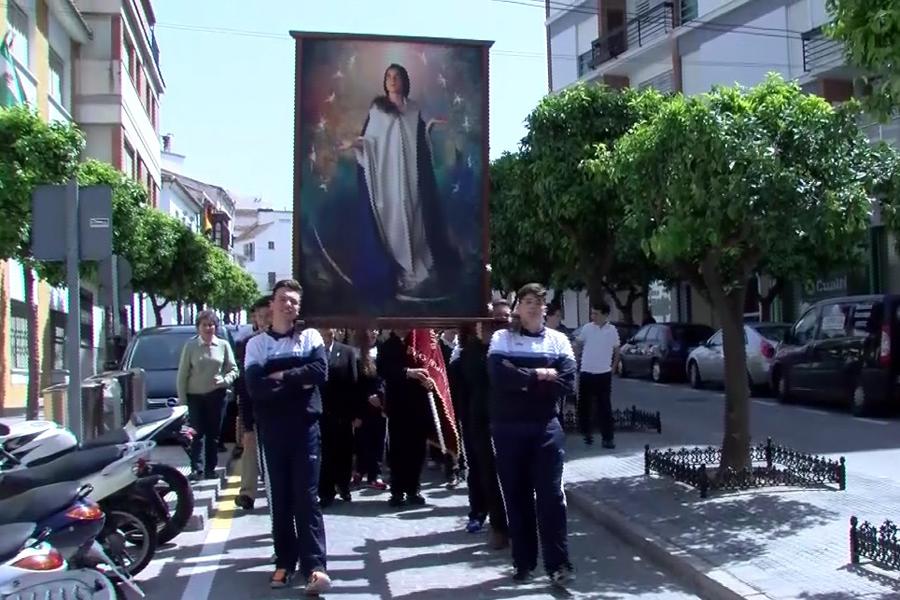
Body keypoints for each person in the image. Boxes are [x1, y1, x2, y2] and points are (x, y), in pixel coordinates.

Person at [339, 63, 457, 300]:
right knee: (391, 225)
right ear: (385, 82)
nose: (393, 80)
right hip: (385, 180)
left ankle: (413, 272)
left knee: (414, 222)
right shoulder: (378, 110)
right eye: (389, 77)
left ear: (404, 81)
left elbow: (419, 143)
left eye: (397, 76)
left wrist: (430, 128)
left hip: (411, 178)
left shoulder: (414, 110)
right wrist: (355, 144)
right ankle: (398, 273)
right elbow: (371, 141)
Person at [244, 279, 331, 594]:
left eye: (294, 301)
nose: (288, 305)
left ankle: (315, 567)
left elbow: (320, 373)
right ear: (272, 304)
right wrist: (298, 381)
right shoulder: (256, 345)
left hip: (306, 429)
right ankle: (284, 562)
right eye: (283, 299)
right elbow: (256, 389)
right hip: (274, 431)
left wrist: (280, 376)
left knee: (306, 498)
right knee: (279, 498)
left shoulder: (310, 337)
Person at [488, 283, 576, 585]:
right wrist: (541, 374)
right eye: (526, 301)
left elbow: (567, 382)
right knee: (517, 496)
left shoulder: (559, 341)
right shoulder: (503, 337)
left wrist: (522, 377)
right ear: (517, 307)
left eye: (538, 301)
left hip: (545, 429)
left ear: (545, 307)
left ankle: (558, 564)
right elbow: (499, 375)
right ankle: (523, 562)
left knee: (551, 497)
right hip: (508, 428)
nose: (533, 306)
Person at [450, 300, 511, 549]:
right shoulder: (468, 353)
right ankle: (497, 525)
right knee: (486, 473)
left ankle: (517, 522)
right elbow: (461, 390)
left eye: (505, 318)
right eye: (494, 319)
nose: (500, 323)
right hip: (480, 421)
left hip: (512, 419)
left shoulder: (515, 345)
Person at [176, 310, 239, 481]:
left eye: (211, 325)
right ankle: (197, 468)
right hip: (195, 396)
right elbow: (182, 375)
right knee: (196, 434)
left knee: (213, 435)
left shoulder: (223, 345)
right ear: (198, 328)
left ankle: (210, 469)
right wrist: (182, 402)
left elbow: (234, 369)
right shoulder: (190, 346)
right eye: (204, 325)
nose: (208, 328)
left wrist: (225, 380)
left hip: (217, 396)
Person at [376, 329, 430, 507]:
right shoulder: (387, 345)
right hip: (398, 405)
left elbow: (433, 367)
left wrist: (430, 382)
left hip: (419, 404)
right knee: (398, 450)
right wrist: (408, 372)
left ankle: (414, 489)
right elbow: (383, 370)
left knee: (417, 449)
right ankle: (397, 491)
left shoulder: (420, 343)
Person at [234, 296, 272, 511]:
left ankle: (273, 492)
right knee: (250, 448)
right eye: (260, 316)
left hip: (277, 410)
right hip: (253, 407)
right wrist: (244, 417)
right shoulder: (246, 343)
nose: (264, 320)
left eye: (267, 315)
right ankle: (247, 493)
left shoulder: (284, 341)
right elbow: (243, 384)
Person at [318, 328, 360, 506]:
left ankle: (343, 485)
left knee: (343, 451)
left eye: (329, 328)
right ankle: (326, 492)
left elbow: (354, 382)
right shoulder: (312, 351)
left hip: (342, 412)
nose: (326, 331)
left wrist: (356, 413)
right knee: (324, 454)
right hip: (319, 411)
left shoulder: (347, 351)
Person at [575, 300, 621, 449]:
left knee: (604, 407)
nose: (592, 316)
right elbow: (578, 345)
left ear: (605, 315)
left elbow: (617, 351)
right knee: (584, 405)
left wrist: (614, 367)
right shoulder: (587, 328)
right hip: (586, 371)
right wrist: (576, 362)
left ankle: (608, 438)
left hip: (603, 373)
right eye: (592, 313)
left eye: (596, 313)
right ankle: (586, 432)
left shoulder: (612, 330)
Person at [352, 329, 387, 490]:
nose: (372, 333)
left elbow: (386, 378)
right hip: (361, 406)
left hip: (379, 406)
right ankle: (360, 470)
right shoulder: (355, 352)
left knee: (378, 440)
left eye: (375, 330)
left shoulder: (383, 350)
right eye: (369, 330)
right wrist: (365, 398)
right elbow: (353, 383)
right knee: (362, 440)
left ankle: (376, 475)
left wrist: (381, 396)